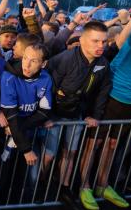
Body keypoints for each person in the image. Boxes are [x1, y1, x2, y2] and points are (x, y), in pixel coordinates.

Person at [46, 21, 112, 209]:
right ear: (82, 40)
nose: (100, 46)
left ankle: (64, 188)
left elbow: (103, 91)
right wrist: (46, 116)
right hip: (54, 116)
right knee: (49, 155)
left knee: (71, 152)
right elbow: (48, 87)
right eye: (95, 41)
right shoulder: (64, 59)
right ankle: (37, 185)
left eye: (104, 42)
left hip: (77, 115)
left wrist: (95, 116)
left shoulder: (103, 64)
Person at [91, 16, 131, 208]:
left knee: (112, 145)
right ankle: (84, 186)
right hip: (112, 97)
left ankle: (103, 185)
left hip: (130, 103)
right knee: (93, 144)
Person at [0, 44, 52, 166]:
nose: (26, 65)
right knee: (3, 168)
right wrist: (26, 150)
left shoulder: (46, 78)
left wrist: (19, 128)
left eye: (33, 61)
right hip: (5, 132)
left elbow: (44, 112)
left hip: (23, 131)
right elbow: (11, 116)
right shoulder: (8, 77)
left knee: (25, 173)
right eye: (25, 58)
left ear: (43, 64)